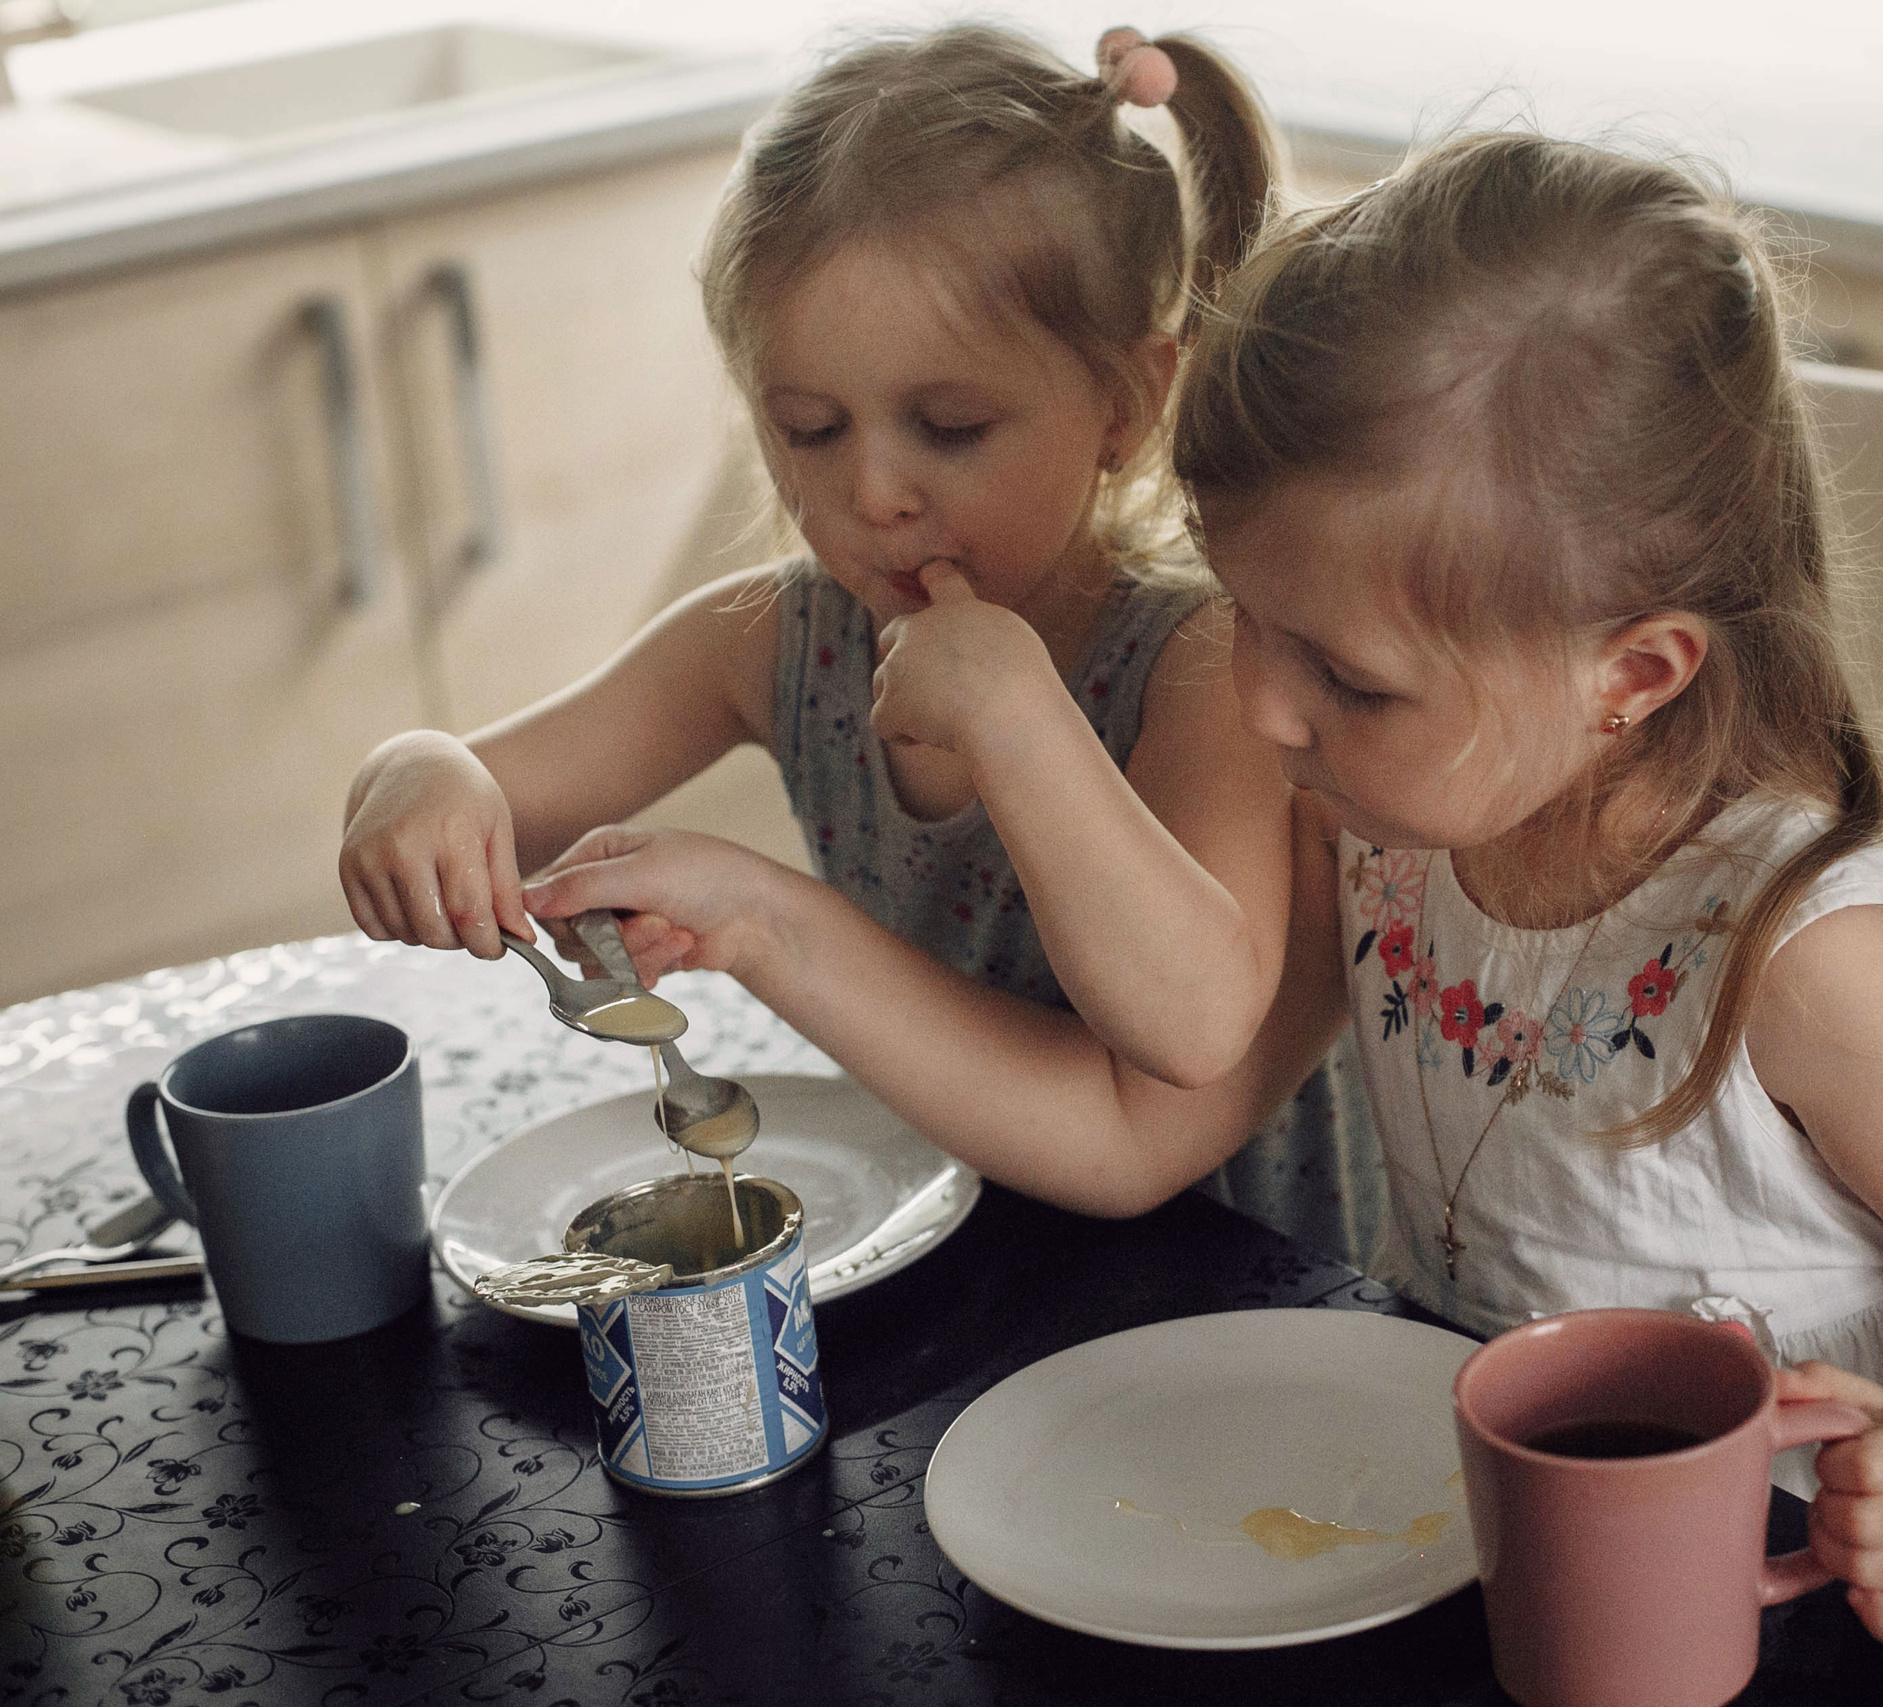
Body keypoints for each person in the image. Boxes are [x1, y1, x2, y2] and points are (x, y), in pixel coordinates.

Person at [1166, 132, 1883, 1662]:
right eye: (1244, 614)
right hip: (1569, 1585)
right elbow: (1183, 1063)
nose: (1259, 705)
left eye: (1347, 677)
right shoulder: (1384, 819)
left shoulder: (1806, 956)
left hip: (1862, 1621)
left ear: (1630, 675)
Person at [338, 24, 1347, 1213]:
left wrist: (1016, 717)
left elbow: (1191, 1027)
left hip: (1236, 1308)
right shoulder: (784, 641)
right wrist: (414, 776)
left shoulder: (1208, 666)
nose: (873, 494)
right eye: (812, 429)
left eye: (953, 427)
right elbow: (483, 784)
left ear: (1125, 404)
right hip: (956, 1255)